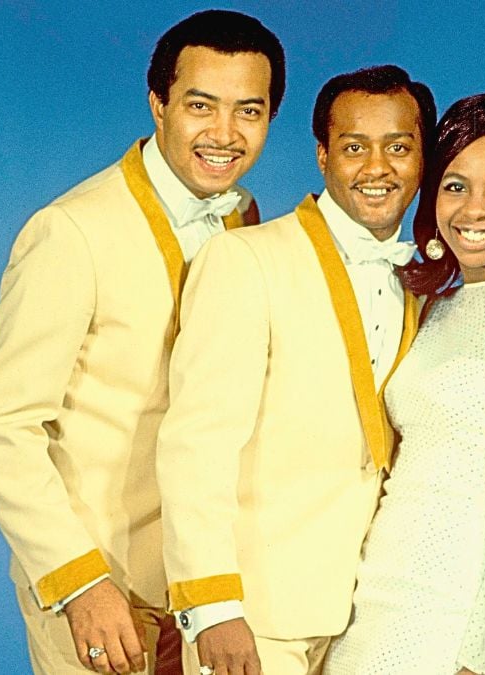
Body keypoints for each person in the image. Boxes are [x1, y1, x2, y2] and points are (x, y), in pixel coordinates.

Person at [0, 10, 284, 674]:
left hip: (211, 593)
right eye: (201, 105)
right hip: (106, 595)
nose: (224, 134)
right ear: (158, 104)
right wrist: (79, 580)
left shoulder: (249, 225)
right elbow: (1, 425)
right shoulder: (71, 232)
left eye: (247, 111)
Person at [154, 65, 436, 675]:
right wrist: (211, 604)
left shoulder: (423, 282)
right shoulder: (245, 259)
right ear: (321, 156)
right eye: (354, 147)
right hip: (255, 617)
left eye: (398, 147)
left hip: (367, 616)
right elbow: (195, 444)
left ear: (423, 159)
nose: (376, 167)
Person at [322, 93, 485, 675]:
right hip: (375, 607)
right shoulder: (436, 308)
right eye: (455, 185)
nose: (475, 209)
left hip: (456, 627)